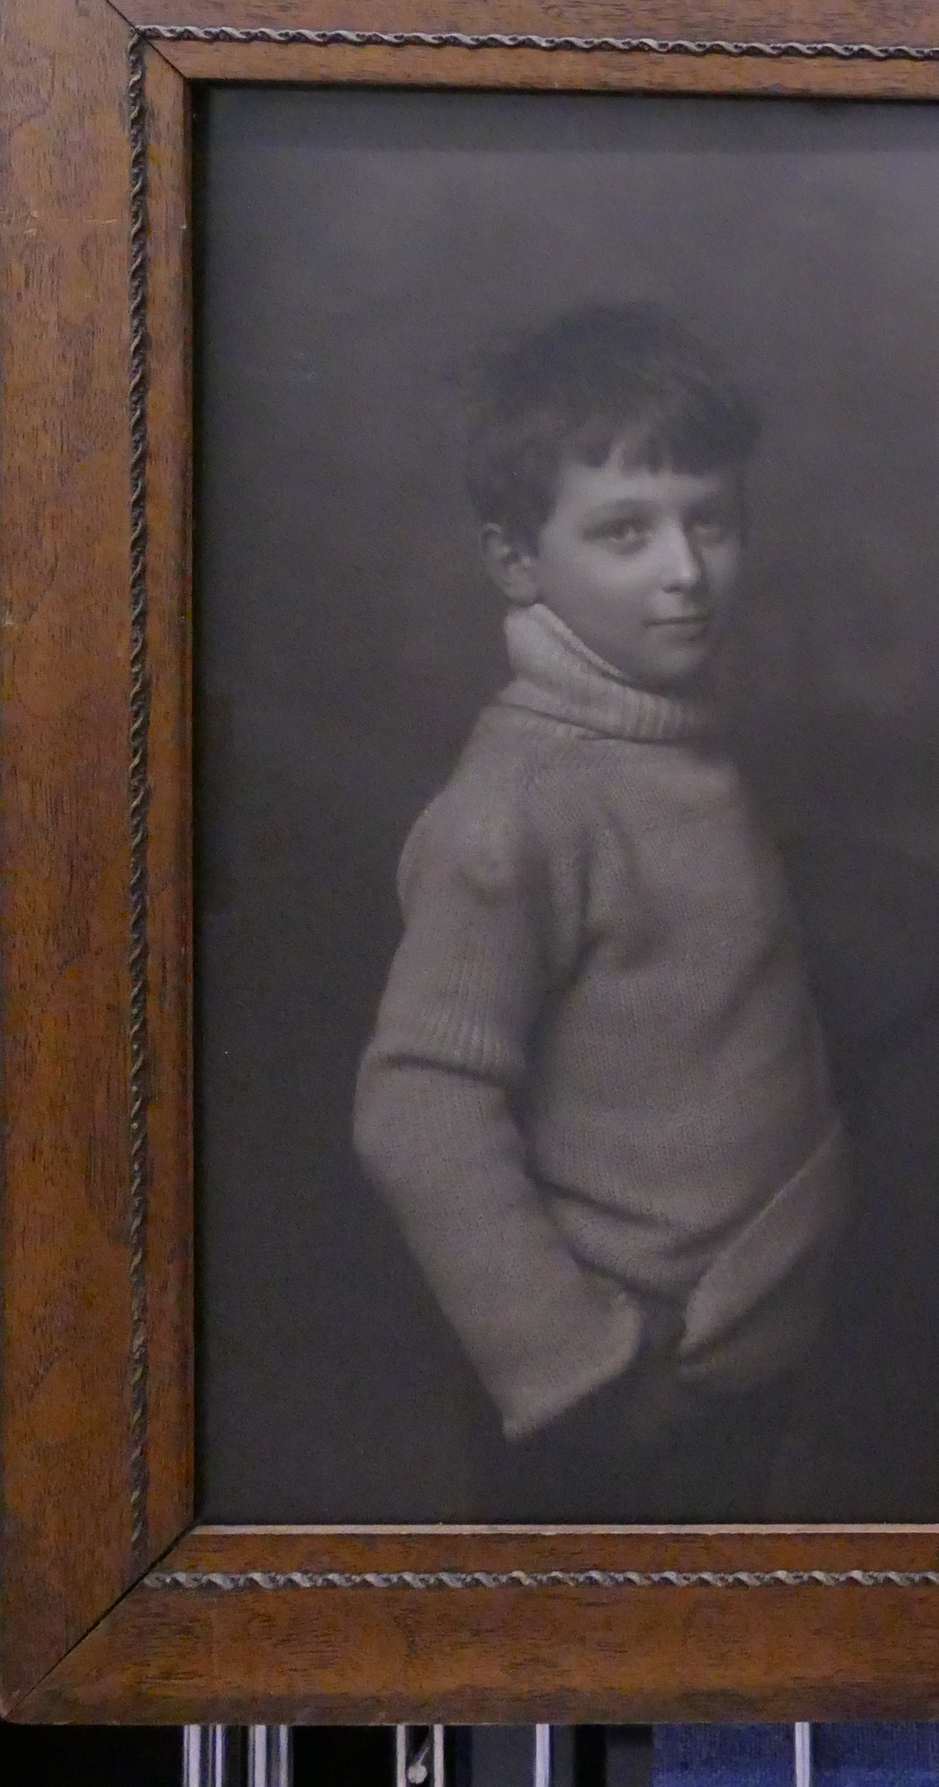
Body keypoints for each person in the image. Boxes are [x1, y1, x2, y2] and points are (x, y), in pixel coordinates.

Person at [353, 303, 847, 1521]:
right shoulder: (515, 808)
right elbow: (416, 1109)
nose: (684, 570)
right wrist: (581, 1363)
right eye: (624, 531)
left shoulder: (670, 742)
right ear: (518, 560)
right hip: (630, 1388)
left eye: (710, 521)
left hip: (748, 1348)